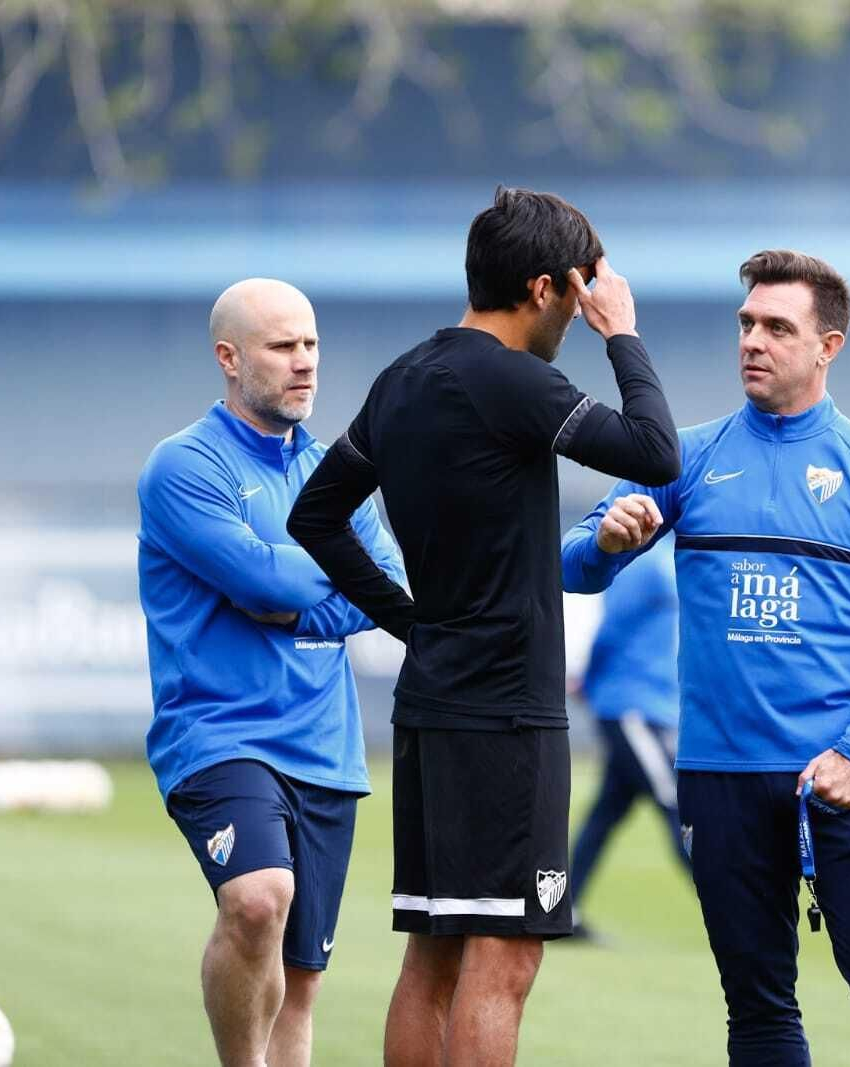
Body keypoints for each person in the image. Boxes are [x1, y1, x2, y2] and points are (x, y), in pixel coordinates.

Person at [285, 186, 679, 1067]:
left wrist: (410, 621)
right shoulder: (516, 381)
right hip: (507, 718)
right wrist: (623, 332)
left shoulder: (403, 378)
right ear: (544, 288)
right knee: (504, 958)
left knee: (433, 955)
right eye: (577, 295)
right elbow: (656, 453)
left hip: (431, 705)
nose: (578, 314)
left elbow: (314, 515)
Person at [562, 249, 850, 1066]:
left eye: (777, 327)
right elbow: (572, 566)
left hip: (841, 775)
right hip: (720, 779)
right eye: (746, 323)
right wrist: (606, 541)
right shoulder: (684, 457)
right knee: (758, 1007)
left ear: (828, 346)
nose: (752, 341)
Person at [137, 277, 405, 1067]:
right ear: (230, 358)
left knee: (301, 979)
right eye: (283, 346)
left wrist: (293, 604)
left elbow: (387, 591)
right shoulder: (184, 466)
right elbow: (262, 580)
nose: (304, 361)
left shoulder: (334, 469)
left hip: (325, 745)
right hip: (219, 734)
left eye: (311, 343)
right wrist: (323, 576)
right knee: (258, 898)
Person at [568, 535, 689, 939]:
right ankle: (735, 912)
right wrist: (589, 680)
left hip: (652, 707)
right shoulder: (646, 562)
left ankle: (562, 909)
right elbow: (612, 630)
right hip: (633, 709)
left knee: (605, 814)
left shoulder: (669, 555)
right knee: (679, 805)